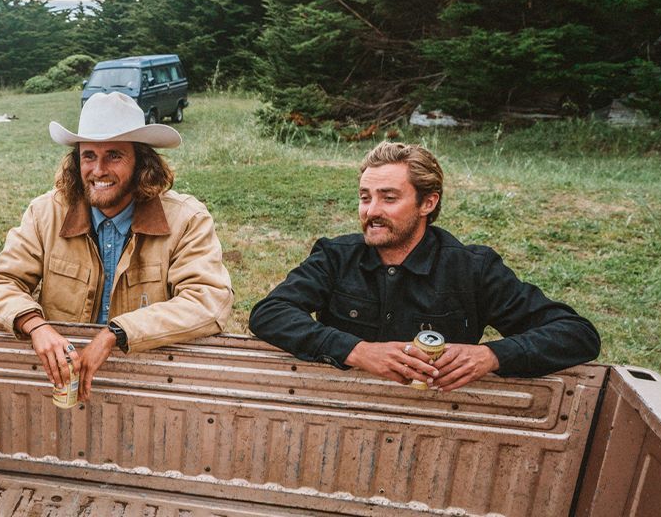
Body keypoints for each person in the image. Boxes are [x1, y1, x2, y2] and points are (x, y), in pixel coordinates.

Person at [249, 142, 600, 391]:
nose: (371, 211)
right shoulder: (335, 256)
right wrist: (358, 351)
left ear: (427, 203)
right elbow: (270, 313)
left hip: (437, 416)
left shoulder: (472, 268)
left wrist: (491, 355)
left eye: (389, 198)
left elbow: (576, 334)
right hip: (343, 405)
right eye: (365, 197)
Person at [0, 92, 233, 400]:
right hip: (65, 385)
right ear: (76, 161)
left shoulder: (186, 219)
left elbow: (209, 300)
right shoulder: (45, 214)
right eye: (88, 156)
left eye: (114, 155)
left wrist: (116, 333)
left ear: (142, 163)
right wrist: (35, 325)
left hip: (148, 384)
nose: (98, 170)